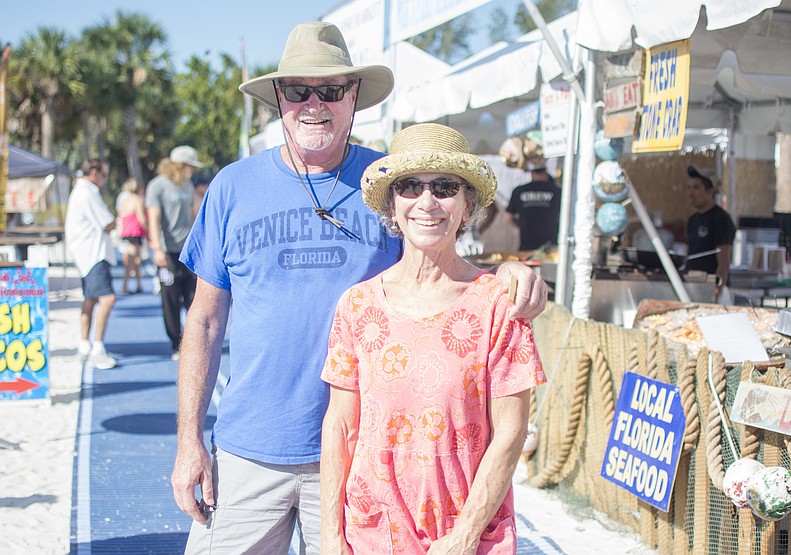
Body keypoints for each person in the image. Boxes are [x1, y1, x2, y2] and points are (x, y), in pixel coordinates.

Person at [171, 21, 547, 555]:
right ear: (279, 97)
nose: (314, 103)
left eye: (331, 90)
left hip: (366, 464)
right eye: (298, 90)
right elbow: (204, 322)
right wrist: (189, 440)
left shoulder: (394, 181)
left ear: (354, 98)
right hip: (250, 451)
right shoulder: (233, 187)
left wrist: (513, 275)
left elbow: (439, 258)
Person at [320, 123, 546, 554]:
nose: (427, 202)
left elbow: (511, 433)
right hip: (373, 534)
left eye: (444, 187)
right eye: (409, 187)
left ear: (467, 206)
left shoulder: (501, 306)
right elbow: (341, 426)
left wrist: (464, 537)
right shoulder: (357, 305)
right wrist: (330, 537)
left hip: (466, 537)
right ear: (392, 204)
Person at [146, 147, 202, 361]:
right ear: (180, 166)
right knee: (170, 298)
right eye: (190, 167)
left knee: (193, 297)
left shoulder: (188, 186)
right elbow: (153, 218)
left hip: (187, 249)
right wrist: (157, 248)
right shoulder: (157, 186)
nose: (192, 171)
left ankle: (192, 339)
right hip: (167, 251)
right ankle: (176, 343)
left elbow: (193, 214)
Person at [64, 159, 118, 370]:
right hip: (94, 253)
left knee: (90, 299)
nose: (105, 180)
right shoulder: (88, 193)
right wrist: (117, 220)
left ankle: (84, 345)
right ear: (93, 172)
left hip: (83, 254)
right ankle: (97, 348)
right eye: (104, 175)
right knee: (108, 299)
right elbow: (106, 223)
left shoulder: (79, 191)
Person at [684, 164, 736, 300]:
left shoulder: (720, 219)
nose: (690, 193)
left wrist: (716, 293)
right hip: (693, 287)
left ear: (710, 190)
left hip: (712, 289)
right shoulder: (692, 220)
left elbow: (724, 262)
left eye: (696, 188)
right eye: (689, 188)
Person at [505, 165, 561, 250]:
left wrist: (521, 224)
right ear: (546, 170)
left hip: (527, 247)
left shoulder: (519, 191)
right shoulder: (557, 191)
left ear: (531, 172)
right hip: (550, 248)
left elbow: (508, 217)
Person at [117, 178, 147, 294]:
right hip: (135, 232)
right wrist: (148, 230)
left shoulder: (126, 200)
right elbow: (141, 218)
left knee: (135, 259)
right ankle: (125, 286)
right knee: (131, 260)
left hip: (127, 232)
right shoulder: (137, 200)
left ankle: (138, 284)